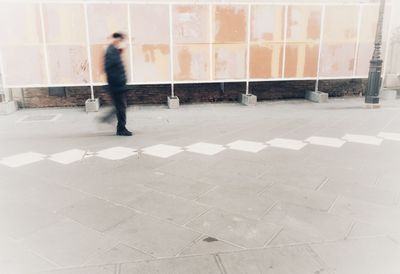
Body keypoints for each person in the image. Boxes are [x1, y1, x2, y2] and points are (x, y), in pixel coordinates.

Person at [101, 32, 132, 136]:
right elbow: (108, 69)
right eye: (122, 40)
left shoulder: (113, 50)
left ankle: (115, 123)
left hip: (118, 84)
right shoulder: (111, 51)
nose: (122, 43)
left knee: (121, 107)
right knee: (121, 107)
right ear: (117, 39)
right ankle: (121, 129)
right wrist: (118, 84)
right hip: (117, 85)